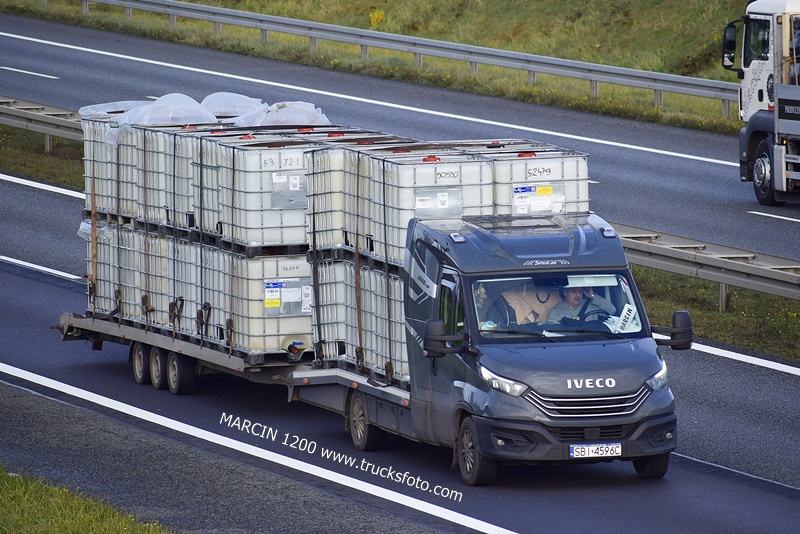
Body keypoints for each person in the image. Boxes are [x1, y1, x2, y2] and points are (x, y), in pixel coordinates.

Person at [546, 286, 615, 324]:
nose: (578, 295)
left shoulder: (591, 305)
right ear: (565, 293)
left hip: (593, 341)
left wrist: (593, 296)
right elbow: (554, 334)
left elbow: (612, 310)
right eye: (574, 291)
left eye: (580, 291)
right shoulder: (556, 312)